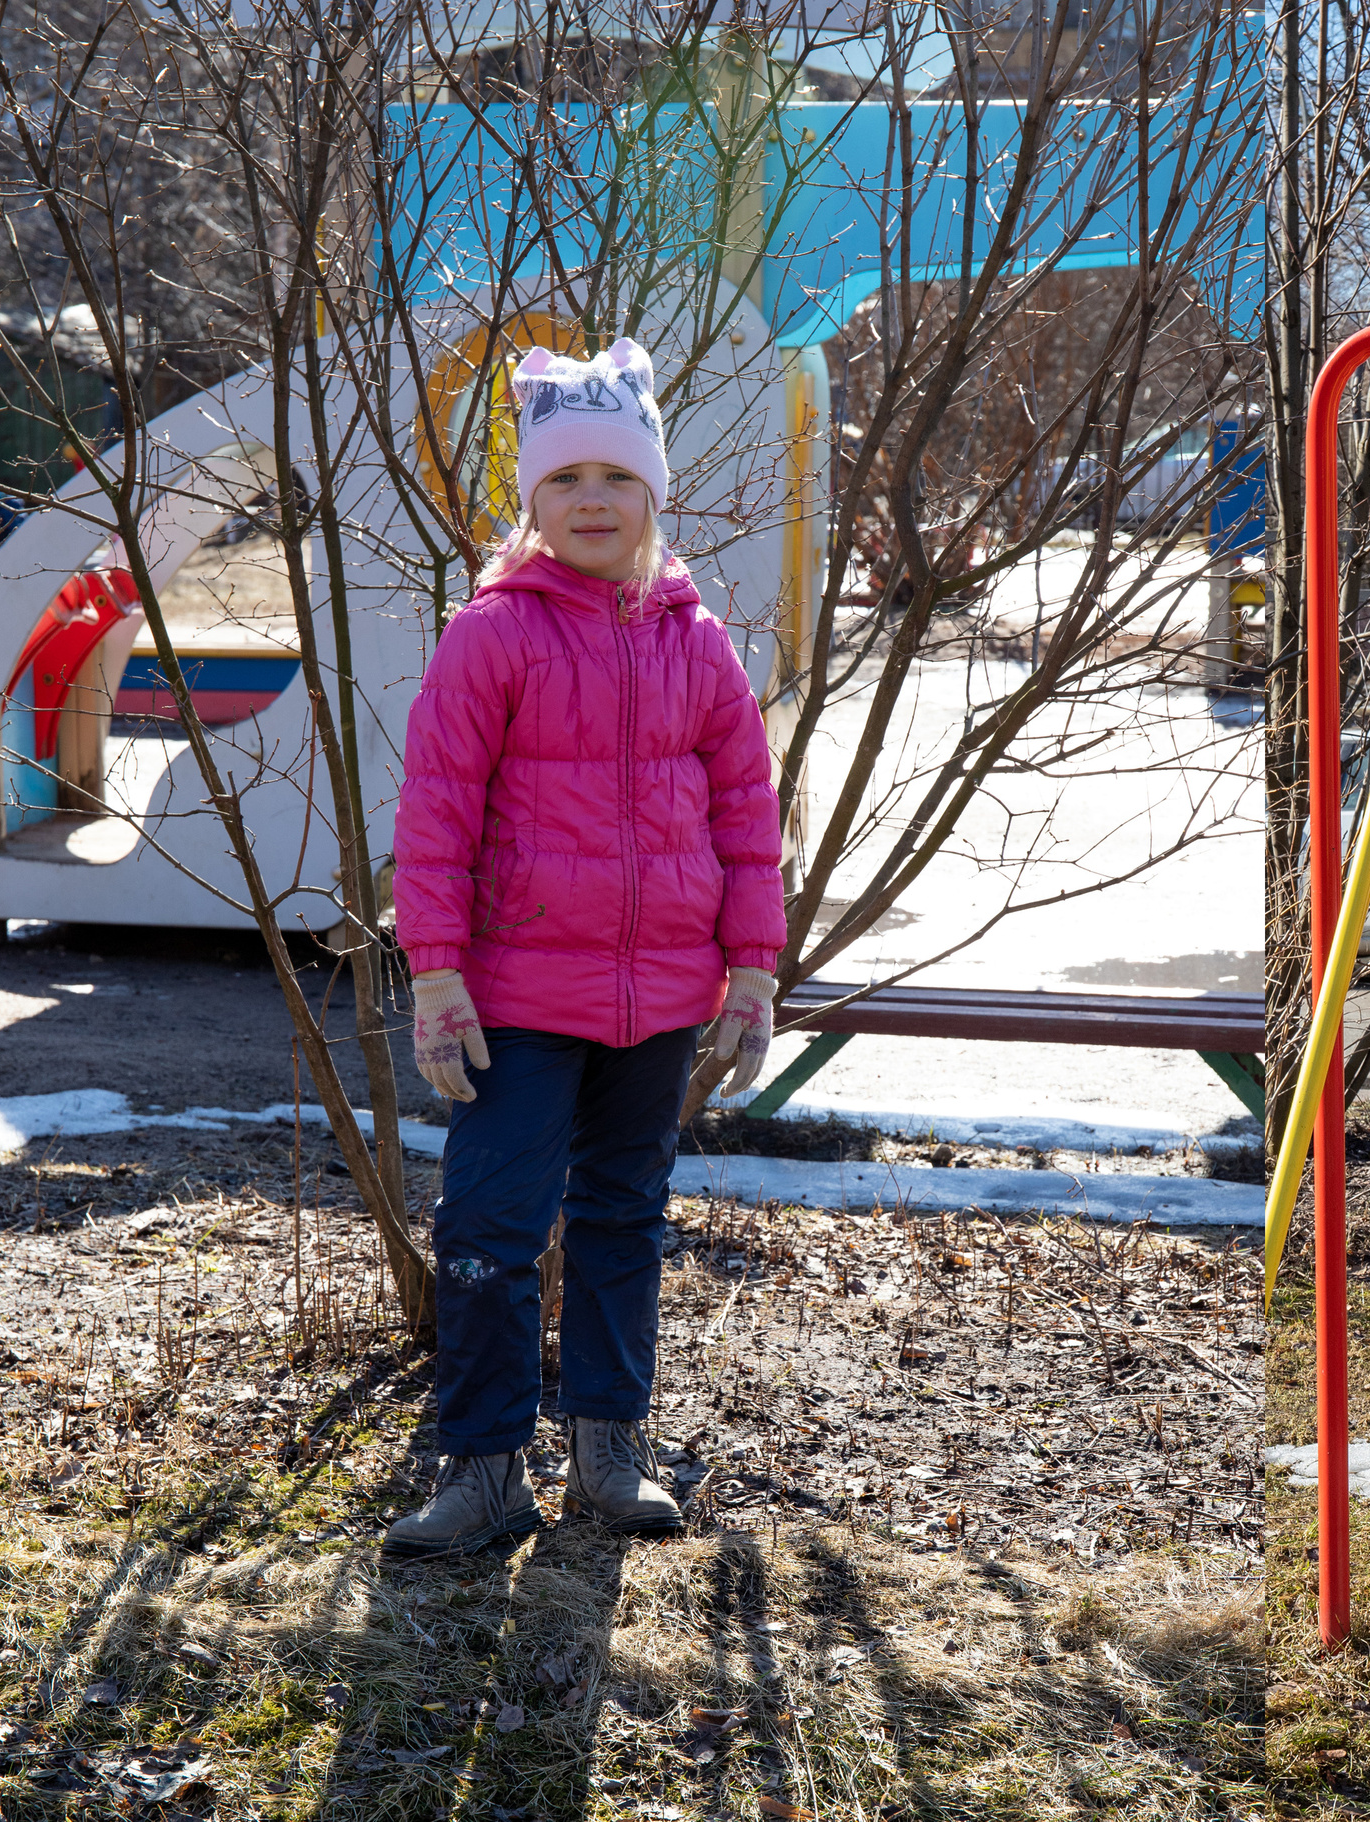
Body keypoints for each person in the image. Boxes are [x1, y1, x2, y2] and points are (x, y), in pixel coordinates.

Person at [383, 338, 787, 1560]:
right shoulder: (493, 636)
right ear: (532, 501)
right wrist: (439, 972)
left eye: (618, 475)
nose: (594, 499)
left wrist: (754, 967)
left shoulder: (695, 643)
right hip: (517, 995)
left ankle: (610, 1449)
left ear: (654, 493)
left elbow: (745, 813)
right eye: (566, 480)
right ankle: (487, 1466)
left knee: (624, 1215)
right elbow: (436, 813)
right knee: (489, 1225)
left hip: (662, 996)